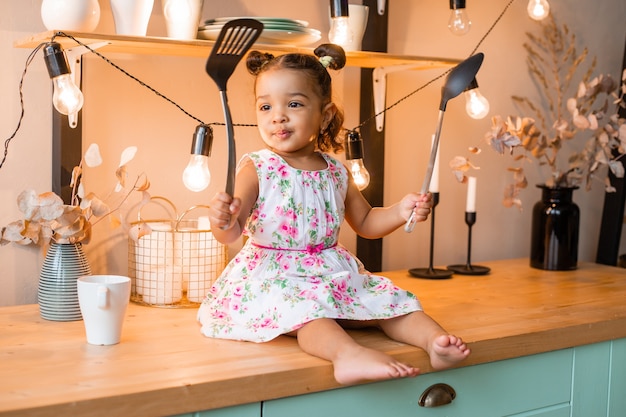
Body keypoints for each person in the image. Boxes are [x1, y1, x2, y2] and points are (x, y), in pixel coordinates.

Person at [197, 44, 470, 385]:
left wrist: (402, 210)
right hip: (275, 277)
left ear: (324, 115)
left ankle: (435, 342)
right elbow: (232, 232)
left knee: (391, 300)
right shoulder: (259, 168)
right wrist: (220, 219)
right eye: (266, 106)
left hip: (331, 270)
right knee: (311, 315)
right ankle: (346, 355)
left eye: (293, 104)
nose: (277, 116)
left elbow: (367, 222)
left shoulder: (336, 171)